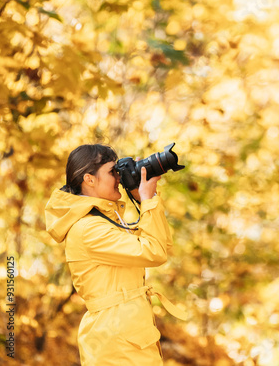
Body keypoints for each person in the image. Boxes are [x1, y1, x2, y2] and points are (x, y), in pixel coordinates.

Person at [44, 144, 186, 366]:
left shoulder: (105, 220)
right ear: (89, 179)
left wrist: (145, 200)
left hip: (127, 337)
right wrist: (147, 201)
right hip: (116, 343)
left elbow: (162, 244)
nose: (119, 178)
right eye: (113, 172)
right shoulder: (88, 229)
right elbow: (154, 253)